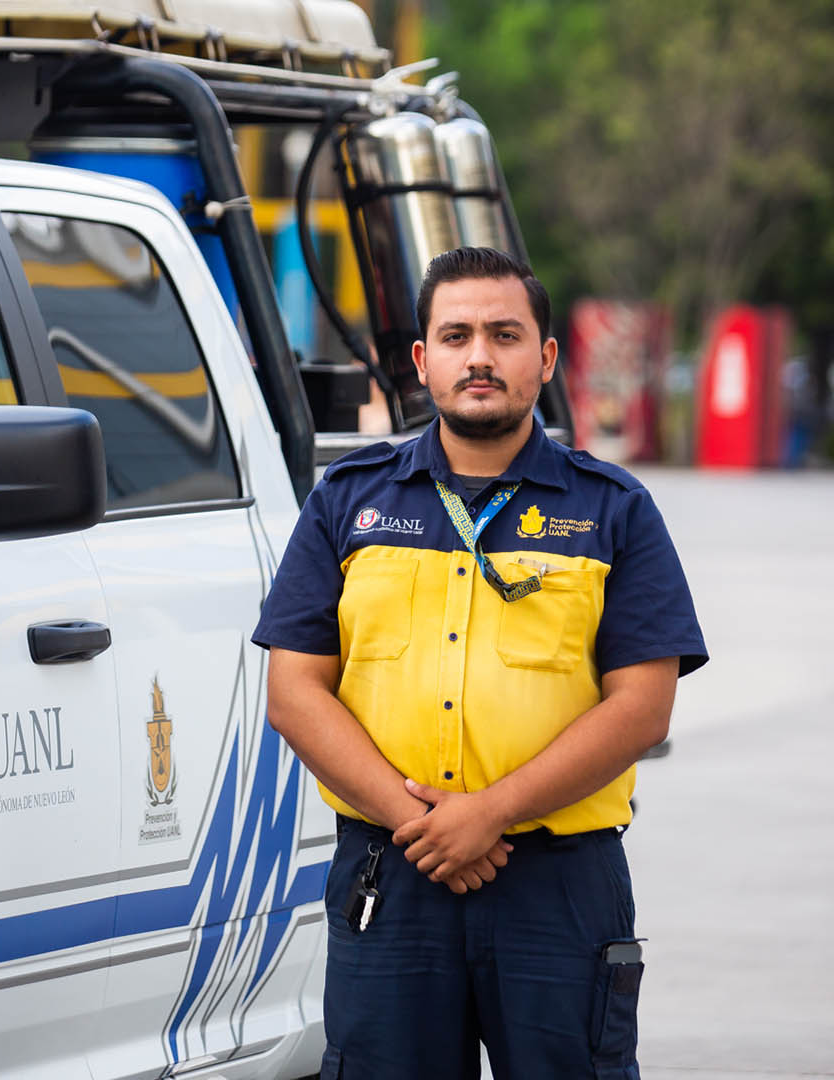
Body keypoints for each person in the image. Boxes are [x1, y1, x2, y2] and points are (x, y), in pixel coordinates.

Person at [252, 247, 707, 1079]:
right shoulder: (349, 501)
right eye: (456, 335)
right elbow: (294, 691)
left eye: (505, 334)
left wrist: (491, 812)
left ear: (545, 358)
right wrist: (422, 822)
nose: (481, 357)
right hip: (392, 874)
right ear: (423, 361)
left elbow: (643, 706)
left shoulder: (615, 512)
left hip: (557, 884)